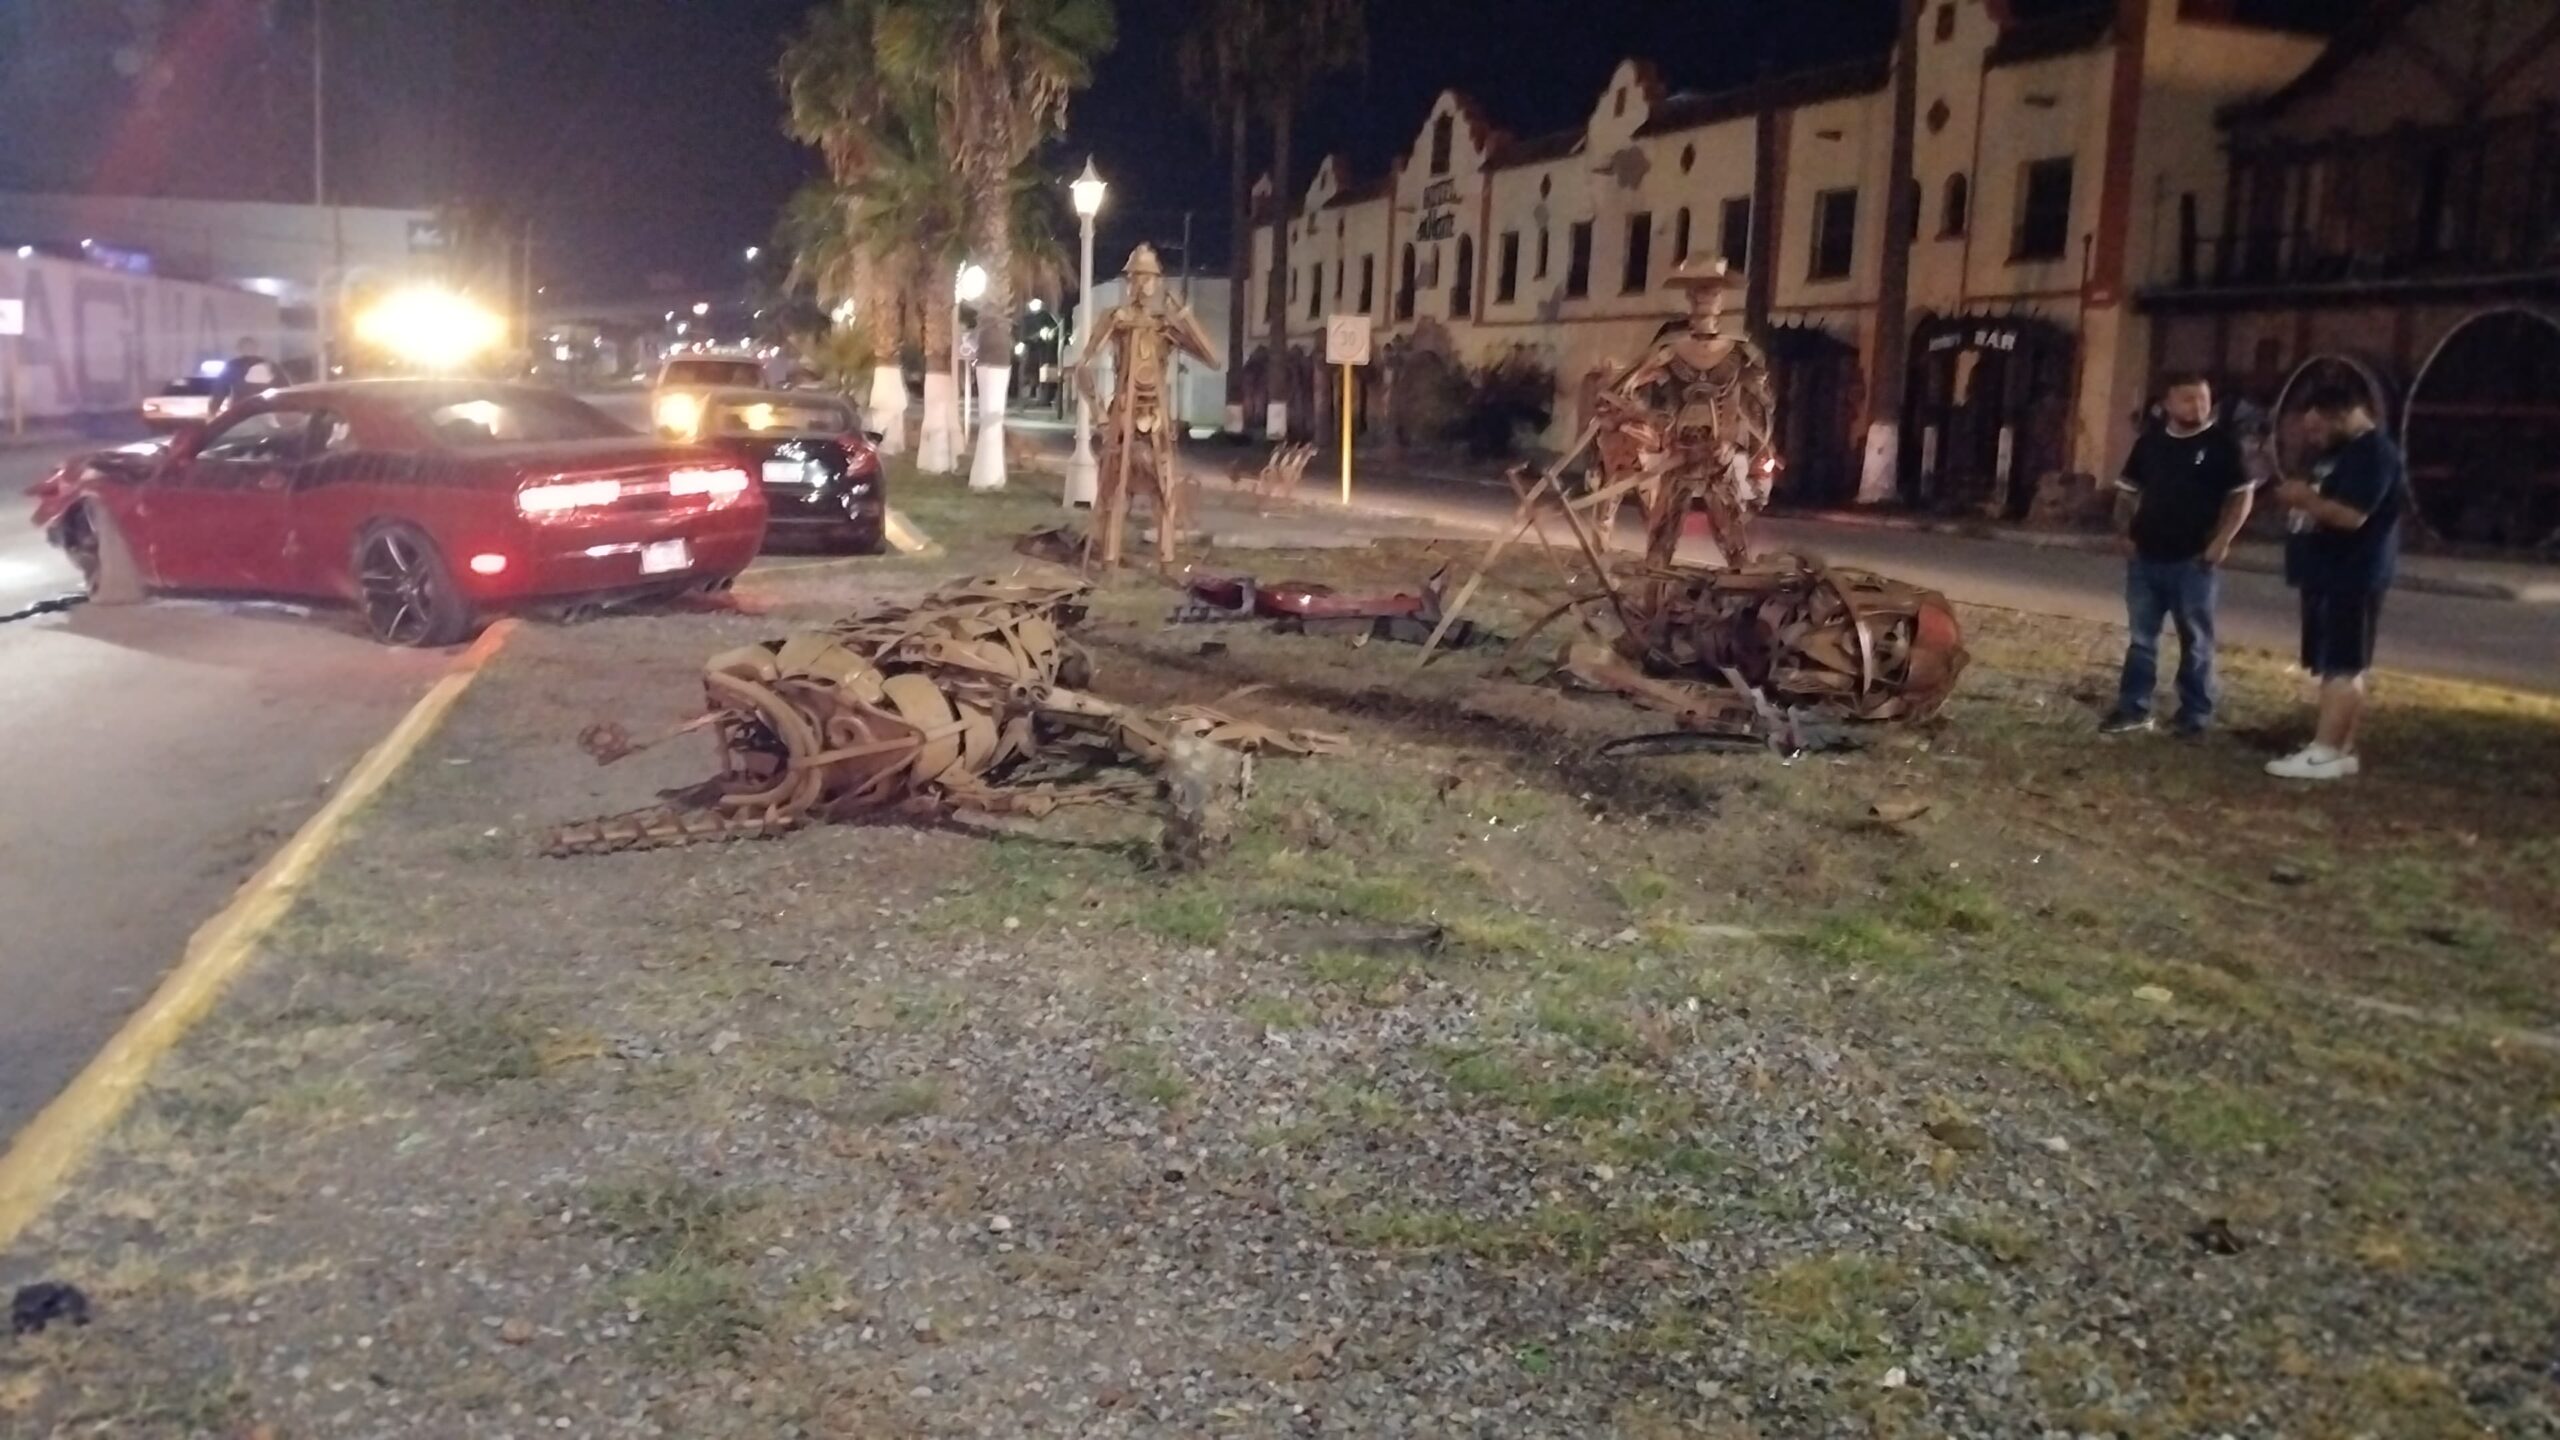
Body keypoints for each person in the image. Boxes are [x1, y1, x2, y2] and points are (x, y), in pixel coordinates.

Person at [2100, 371, 2254, 736]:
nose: (2197, 406)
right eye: (2187, 398)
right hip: (2146, 558)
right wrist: (2123, 533)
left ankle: (2195, 714)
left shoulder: (2222, 445)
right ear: (2166, 404)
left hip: (2193, 561)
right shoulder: (2150, 444)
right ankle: (2133, 708)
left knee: (2195, 640)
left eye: (2202, 398)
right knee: (2142, 638)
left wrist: (2222, 540)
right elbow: (2127, 491)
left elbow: (2241, 495)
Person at [2263, 384, 2404, 780]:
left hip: (2352, 573)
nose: (2313, 438)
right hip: (2326, 572)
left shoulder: (2373, 453)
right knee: (2333, 664)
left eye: (2318, 429)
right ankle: (2338, 750)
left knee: (2343, 665)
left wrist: (2303, 498)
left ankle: (2324, 752)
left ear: (2344, 414)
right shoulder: (2339, 452)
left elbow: (2352, 516)